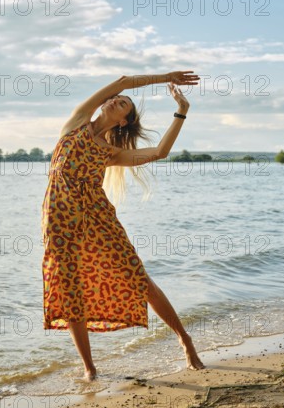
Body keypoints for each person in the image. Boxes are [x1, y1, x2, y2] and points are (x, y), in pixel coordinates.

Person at [41, 71, 205, 381]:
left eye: (124, 105)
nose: (117, 100)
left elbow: (160, 152)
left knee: (139, 279)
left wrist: (181, 111)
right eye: (116, 99)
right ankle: (90, 369)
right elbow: (123, 81)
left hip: (98, 220)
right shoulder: (76, 122)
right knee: (70, 291)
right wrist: (166, 77)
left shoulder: (110, 152)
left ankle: (185, 339)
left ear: (122, 122)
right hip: (58, 221)